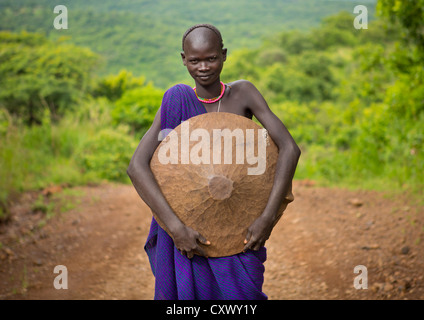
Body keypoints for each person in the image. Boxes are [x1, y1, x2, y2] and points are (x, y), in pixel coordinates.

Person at [127, 24, 301, 300]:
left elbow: (289, 148)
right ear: (184, 59)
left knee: (242, 297)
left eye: (211, 58)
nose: (203, 67)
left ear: (224, 55)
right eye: (194, 60)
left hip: (238, 224)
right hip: (187, 231)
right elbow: (136, 167)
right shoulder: (176, 101)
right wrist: (175, 228)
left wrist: (267, 217)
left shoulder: (243, 94)